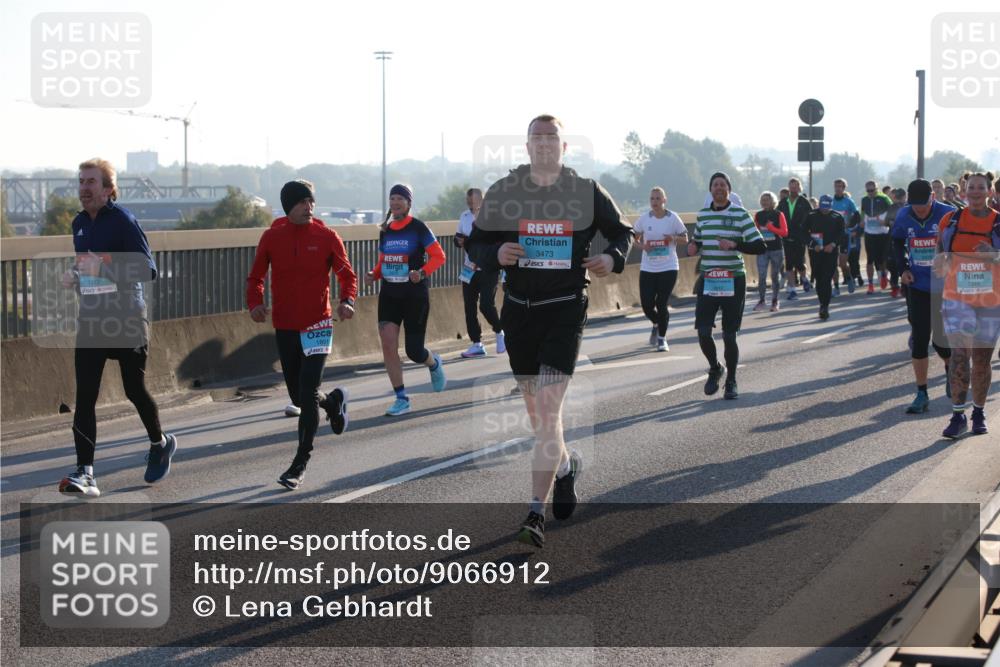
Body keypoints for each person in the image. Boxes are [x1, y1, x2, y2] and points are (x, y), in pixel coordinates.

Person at [466, 114, 633, 548]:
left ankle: (534, 514)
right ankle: (565, 466)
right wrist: (496, 251)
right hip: (519, 311)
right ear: (526, 147)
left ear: (564, 147)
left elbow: (621, 232)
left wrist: (612, 258)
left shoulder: (585, 191)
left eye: (551, 138)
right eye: (536, 138)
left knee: (548, 408)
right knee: (538, 417)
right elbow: (476, 243)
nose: (544, 145)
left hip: (564, 308)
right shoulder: (505, 192)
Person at [58, 158, 177, 498]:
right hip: (93, 319)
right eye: (81, 181)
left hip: (126, 317)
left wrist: (102, 268)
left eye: (91, 182)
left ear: (108, 189)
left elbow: (147, 270)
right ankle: (86, 472)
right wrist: (76, 276)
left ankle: (160, 443)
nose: (84, 188)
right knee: (85, 397)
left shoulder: (124, 220)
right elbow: (90, 269)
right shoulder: (79, 223)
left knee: (133, 389)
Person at [247, 180, 358, 490]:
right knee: (300, 396)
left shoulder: (326, 236)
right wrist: (255, 303)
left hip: (318, 324)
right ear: (288, 206)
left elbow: (347, 275)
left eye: (311, 201)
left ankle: (299, 464)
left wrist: (347, 300)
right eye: (301, 202)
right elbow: (256, 276)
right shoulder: (272, 237)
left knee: (308, 388)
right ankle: (334, 402)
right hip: (285, 325)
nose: (308, 207)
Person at [365, 184, 447, 416]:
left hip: (414, 295)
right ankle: (401, 398)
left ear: (409, 203)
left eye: (401, 198)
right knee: (388, 344)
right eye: (393, 198)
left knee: (414, 351)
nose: (396, 202)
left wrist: (421, 273)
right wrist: (374, 274)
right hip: (390, 294)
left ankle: (433, 363)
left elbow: (439, 256)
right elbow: (384, 261)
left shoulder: (419, 227)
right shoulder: (386, 230)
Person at [688, 172, 766, 400]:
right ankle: (715, 367)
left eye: (723, 185)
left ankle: (731, 380)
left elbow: (760, 245)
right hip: (709, 278)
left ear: (729, 190)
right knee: (703, 332)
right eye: (715, 185)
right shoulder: (702, 215)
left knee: (729, 335)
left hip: (733, 279)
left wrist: (734, 244)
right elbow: (697, 242)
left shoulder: (740, 215)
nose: (719, 188)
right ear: (710, 190)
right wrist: (691, 248)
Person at [934, 172, 1000, 438]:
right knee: (960, 356)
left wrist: (994, 256)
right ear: (964, 190)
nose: (975, 191)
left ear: (989, 191)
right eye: (970, 187)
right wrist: (940, 262)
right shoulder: (950, 220)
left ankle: (979, 412)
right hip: (956, 297)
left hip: (990, 300)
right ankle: (957, 415)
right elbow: (940, 253)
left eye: (980, 187)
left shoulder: (998, 222)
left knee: (982, 360)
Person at [891, 179, 952, 414]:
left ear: (933, 199)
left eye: (924, 206)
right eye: (915, 206)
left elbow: (958, 244)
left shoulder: (948, 214)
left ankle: (949, 368)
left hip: (943, 287)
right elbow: (896, 242)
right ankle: (921, 392)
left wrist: (950, 260)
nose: (920, 210)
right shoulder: (904, 215)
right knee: (919, 338)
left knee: (940, 341)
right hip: (916, 285)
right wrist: (903, 268)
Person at [634, 186, 687, 351]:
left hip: (669, 266)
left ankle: (662, 339)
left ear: (664, 200)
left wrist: (673, 237)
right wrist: (643, 246)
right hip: (648, 267)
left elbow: (685, 238)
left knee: (661, 303)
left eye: (658, 199)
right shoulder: (644, 219)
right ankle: (657, 323)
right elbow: (632, 239)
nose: (654, 202)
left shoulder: (672, 218)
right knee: (647, 305)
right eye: (652, 199)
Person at [455, 187, 504, 358]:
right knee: (469, 306)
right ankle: (477, 343)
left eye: (473, 202)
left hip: (488, 269)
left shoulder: (492, 218)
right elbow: (457, 236)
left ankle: (499, 332)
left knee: (486, 304)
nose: (470, 205)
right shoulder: (464, 216)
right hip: (469, 268)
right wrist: (459, 240)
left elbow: (497, 242)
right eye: (468, 202)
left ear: (482, 201)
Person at [804, 195, 847, 320]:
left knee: (826, 278)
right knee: (818, 278)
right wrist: (812, 244)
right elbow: (802, 232)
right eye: (822, 207)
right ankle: (821, 302)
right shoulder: (811, 215)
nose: (824, 210)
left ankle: (824, 306)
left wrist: (833, 244)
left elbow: (842, 234)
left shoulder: (837, 217)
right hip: (816, 252)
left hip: (830, 252)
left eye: (827, 207)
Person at [777, 177, 813, 300]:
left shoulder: (804, 202)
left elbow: (811, 218)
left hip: (800, 236)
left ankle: (804, 278)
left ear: (799, 187)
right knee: (789, 263)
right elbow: (777, 216)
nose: (793, 189)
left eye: (795, 186)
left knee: (799, 262)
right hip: (786, 236)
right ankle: (792, 289)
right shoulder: (783, 202)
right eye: (791, 186)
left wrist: (808, 231)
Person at [752, 191, 788, 312]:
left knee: (774, 276)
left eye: (767, 200)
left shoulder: (779, 214)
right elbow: (754, 231)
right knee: (762, 276)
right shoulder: (758, 215)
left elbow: (784, 232)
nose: (764, 202)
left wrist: (771, 228)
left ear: (772, 201)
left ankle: (775, 300)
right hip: (762, 250)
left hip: (776, 249)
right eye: (762, 200)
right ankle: (762, 300)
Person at [861, 180, 894, 294]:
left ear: (877, 188)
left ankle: (884, 274)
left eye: (872, 190)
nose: (870, 192)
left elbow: (892, 210)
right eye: (868, 190)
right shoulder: (864, 200)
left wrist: (885, 220)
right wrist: (861, 221)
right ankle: (870, 285)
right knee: (870, 259)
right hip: (869, 233)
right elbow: (863, 212)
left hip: (883, 232)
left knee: (882, 259)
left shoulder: (884, 198)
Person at [830, 179, 859, 295]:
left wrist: (850, 226)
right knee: (832, 263)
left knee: (842, 263)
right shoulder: (830, 202)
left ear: (843, 188)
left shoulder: (848, 202)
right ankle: (836, 287)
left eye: (840, 186)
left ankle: (848, 277)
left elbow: (857, 216)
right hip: (831, 236)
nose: (837, 188)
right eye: (836, 186)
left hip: (844, 236)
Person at [884, 187, 908, 297]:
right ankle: (899, 286)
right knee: (897, 262)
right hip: (899, 238)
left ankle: (899, 286)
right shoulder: (900, 207)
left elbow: (886, 222)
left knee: (897, 262)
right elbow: (886, 222)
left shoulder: (906, 206)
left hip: (900, 238)